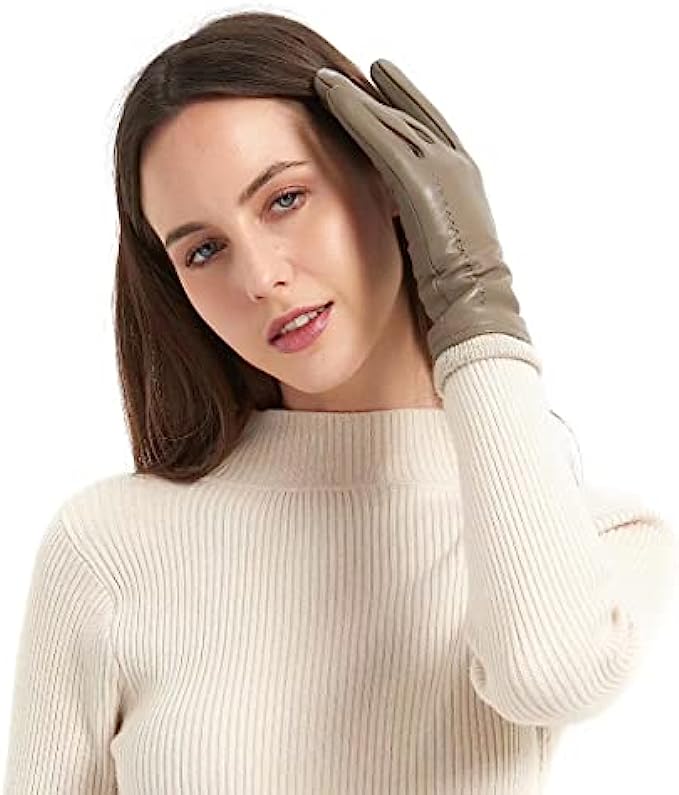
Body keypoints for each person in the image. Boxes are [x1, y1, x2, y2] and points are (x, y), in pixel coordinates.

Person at [2, 10, 675, 795]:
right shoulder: (108, 545)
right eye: (204, 249)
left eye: (285, 199)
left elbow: (546, 674)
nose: (259, 277)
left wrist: (476, 302)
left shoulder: (593, 538)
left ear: (388, 181)